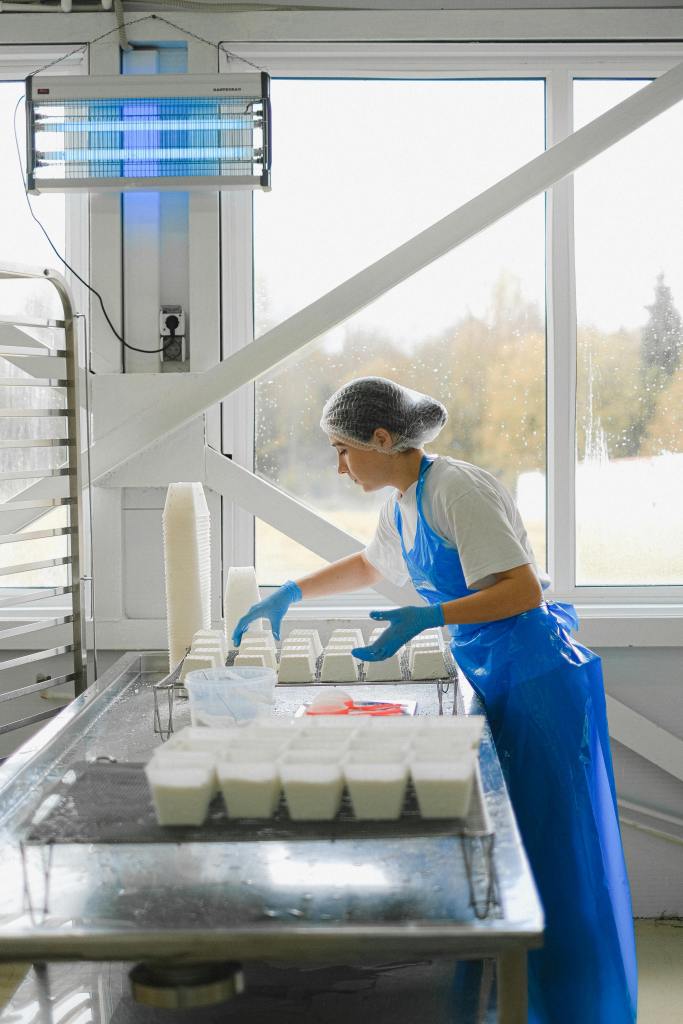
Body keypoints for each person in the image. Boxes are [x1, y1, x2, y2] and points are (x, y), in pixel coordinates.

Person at [233, 376, 637, 1024]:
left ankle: (570, 1008)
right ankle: (515, 1002)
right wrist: (290, 592)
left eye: (342, 449)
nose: (339, 467)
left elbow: (520, 590)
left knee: (553, 851)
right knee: (511, 848)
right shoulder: (402, 503)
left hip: (535, 676)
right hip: (492, 671)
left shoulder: (456, 488)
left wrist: (429, 618)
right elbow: (370, 566)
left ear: (381, 438)